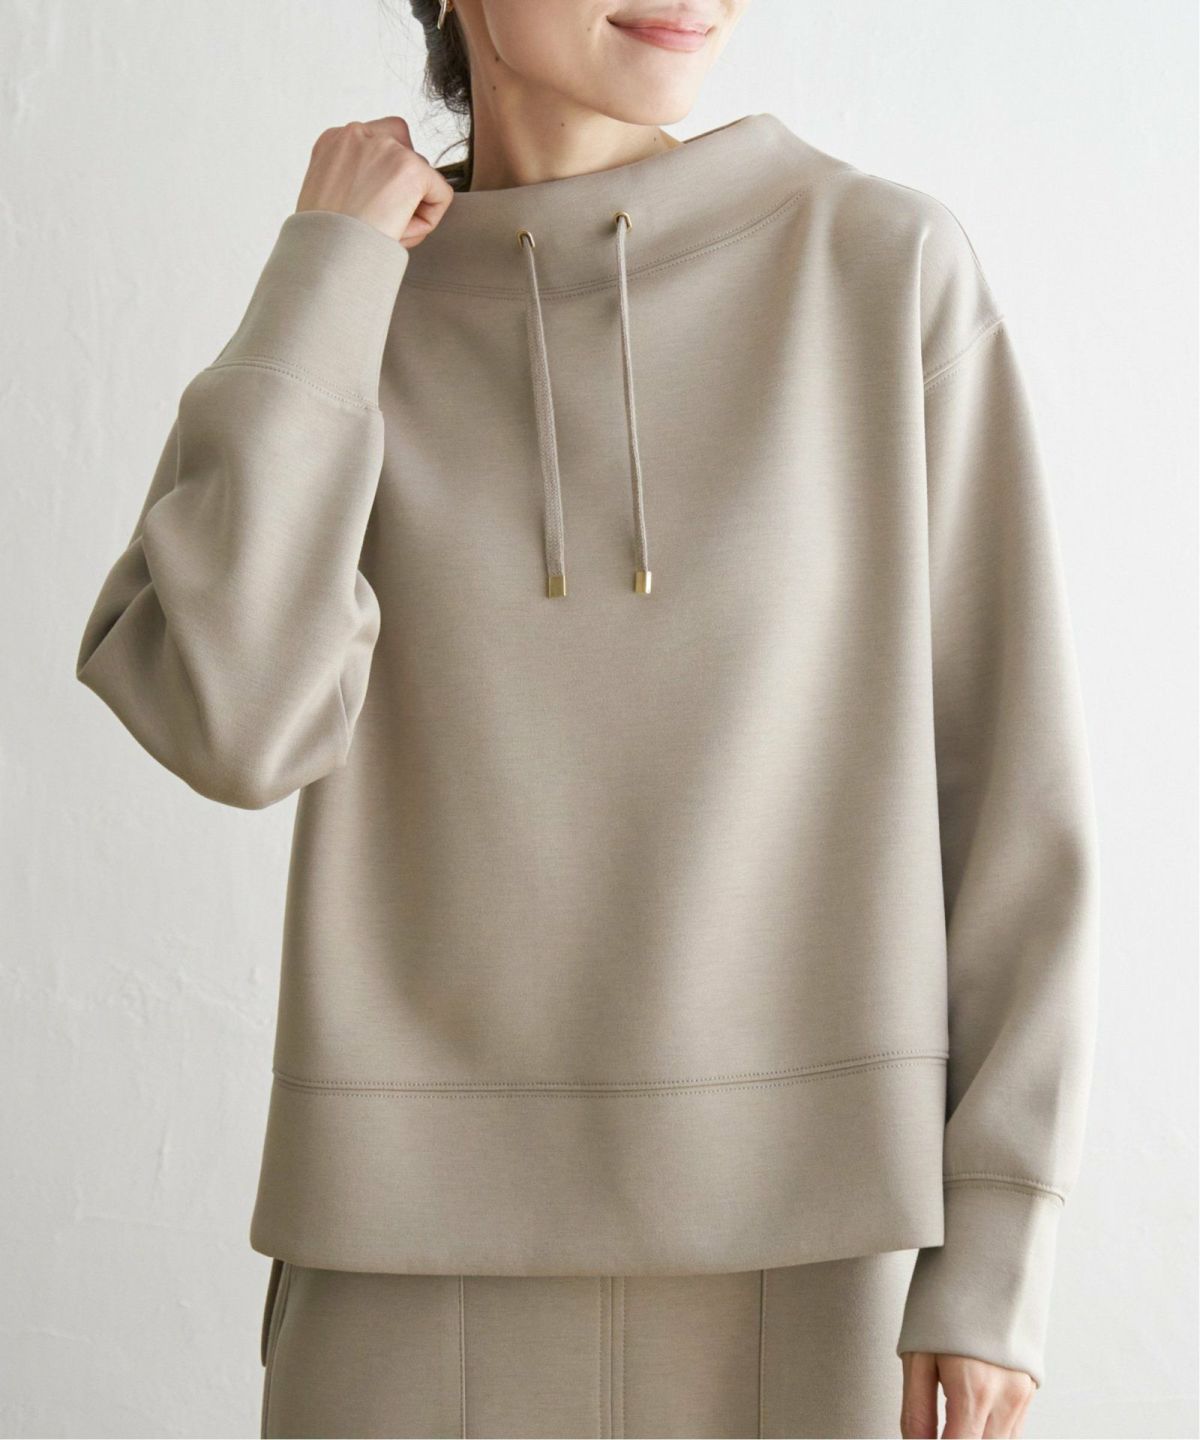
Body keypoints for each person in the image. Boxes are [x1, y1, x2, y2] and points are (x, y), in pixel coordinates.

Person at [74, 1, 1101, 1436]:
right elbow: (233, 722)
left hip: (819, 1261)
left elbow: (1010, 797)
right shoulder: (358, 298)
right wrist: (326, 270)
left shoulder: (878, 266)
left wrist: (997, 1243)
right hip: (399, 1262)